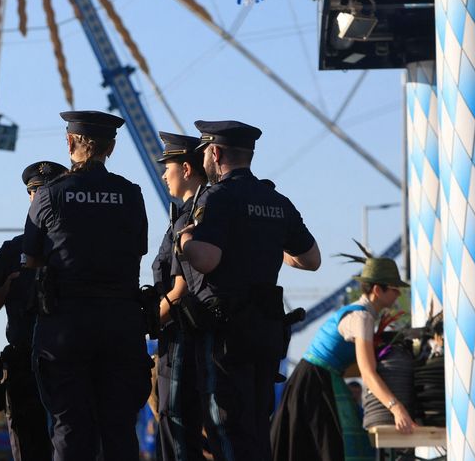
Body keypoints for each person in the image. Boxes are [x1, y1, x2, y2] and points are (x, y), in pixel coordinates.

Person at [176, 120, 322, 460]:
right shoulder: (276, 200)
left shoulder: (218, 198)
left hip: (226, 333)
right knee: (257, 426)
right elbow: (311, 259)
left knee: (225, 425)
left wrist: (185, 238)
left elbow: (207, 260)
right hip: (266, 331)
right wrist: (265, 242)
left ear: (214, 152)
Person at [22, 110, 151, 460]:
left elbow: (30, 259)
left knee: (69, 426)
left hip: (65, 324)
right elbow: (139, 250)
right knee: (119, 427)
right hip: (121, 322)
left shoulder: (49, 195)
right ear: (111, 147)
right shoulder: (131, 194)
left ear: (69, 142)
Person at [270, 252, 415, 461]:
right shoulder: (361, 317)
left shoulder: (362, 315)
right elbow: (367, 371)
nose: (397, 294)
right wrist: (397, 408)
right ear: (377, 290)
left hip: (316, 380)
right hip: (314, 385)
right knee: (331, 447)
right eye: (394, 289)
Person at [0, 160, 67, 461]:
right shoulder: (13, 250)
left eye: (46, 192)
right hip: (25, 362)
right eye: (34, 193)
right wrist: (1, 292)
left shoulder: (73, 247)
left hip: (67, 360)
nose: (38, 198)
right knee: (28, 447)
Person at [152, 132, 207, 461]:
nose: (163, 174)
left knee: (175, 422)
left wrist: (142, 323)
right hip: (188, 333)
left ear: (186, 168)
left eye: (167, 167)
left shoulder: (189, 219)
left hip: (180, 335)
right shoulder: (188, 213)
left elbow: (179, 290)